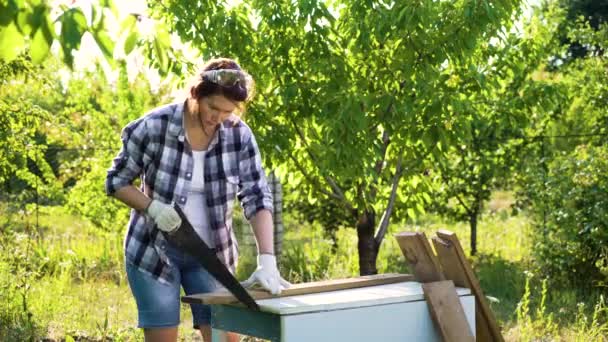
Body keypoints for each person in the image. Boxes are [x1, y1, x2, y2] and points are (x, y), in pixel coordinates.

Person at [105, 58, 290, 342]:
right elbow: (116, 181)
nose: (217, 117)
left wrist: (267, 259)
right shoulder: (155, 127)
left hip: (213, 255)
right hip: (154, 252)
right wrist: (152, 208)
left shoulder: (239, 137)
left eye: (227, 111)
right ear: (196, 93)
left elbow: (256, 194)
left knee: (224, 338)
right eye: (212, 107)